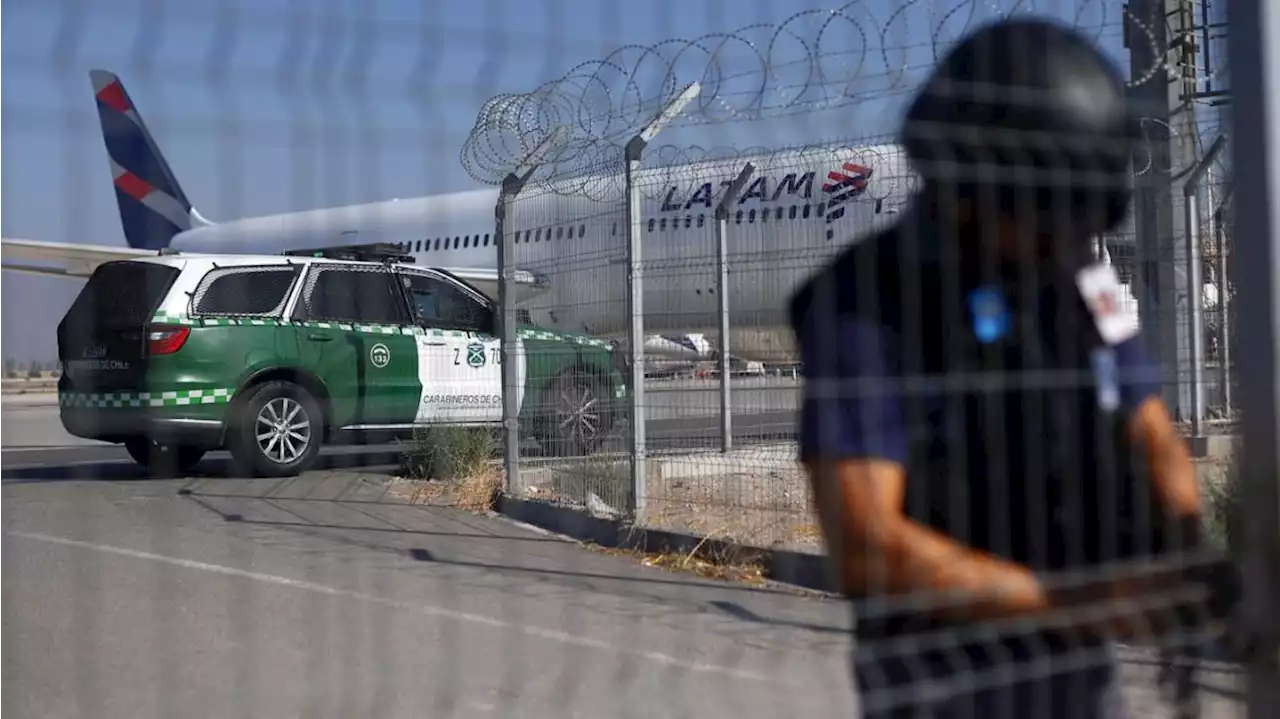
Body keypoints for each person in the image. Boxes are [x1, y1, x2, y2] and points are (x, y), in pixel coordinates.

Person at [789, 17, 1240, 718]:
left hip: (1075, 679)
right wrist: (1076, 604)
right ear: (973, 184)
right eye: (1048, 214)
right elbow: (865, 543)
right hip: (940, 686)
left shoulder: (1076, 273)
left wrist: (1184, 543)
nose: (1065, 239)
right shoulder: (861, 302)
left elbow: (1147, 423)